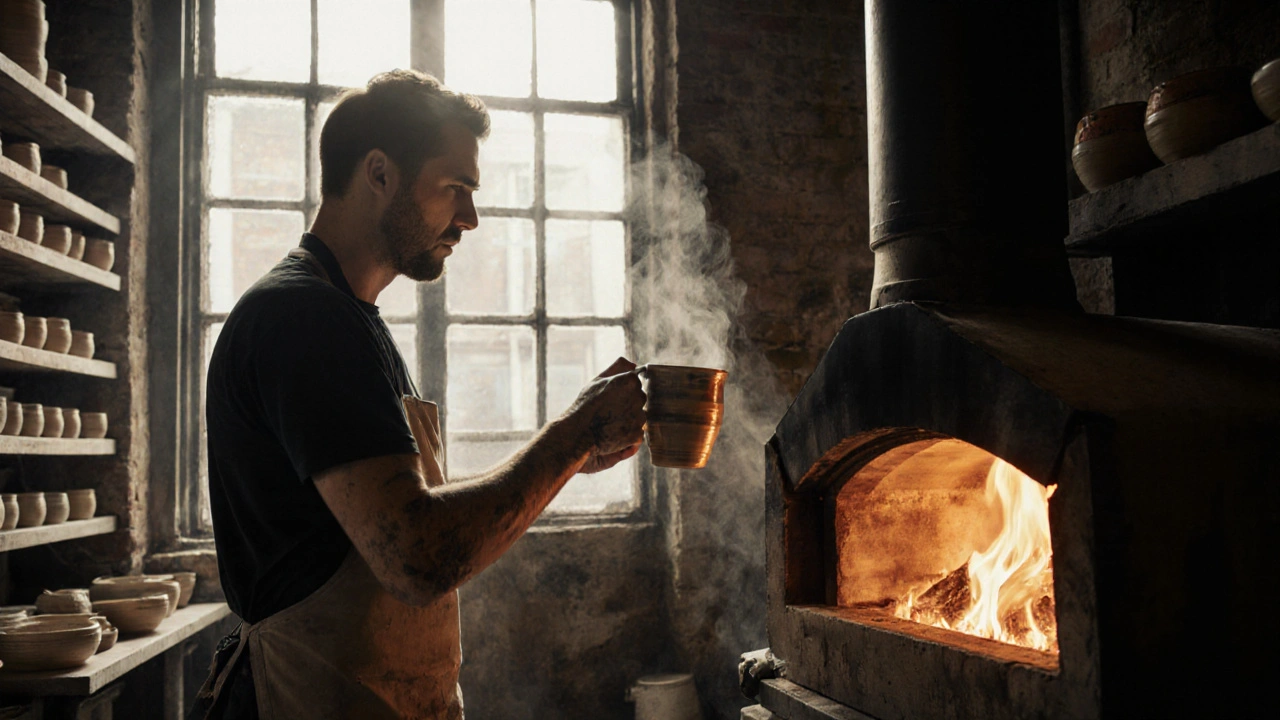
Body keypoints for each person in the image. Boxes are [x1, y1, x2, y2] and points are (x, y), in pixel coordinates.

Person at [192, 70, 647, 720]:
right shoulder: (303, 318)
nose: (471, 218)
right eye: (455, 187)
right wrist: (570, 437)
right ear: (379, 173)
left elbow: (410, 522)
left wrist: (572, 456)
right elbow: (416, 556)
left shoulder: (348, 319)